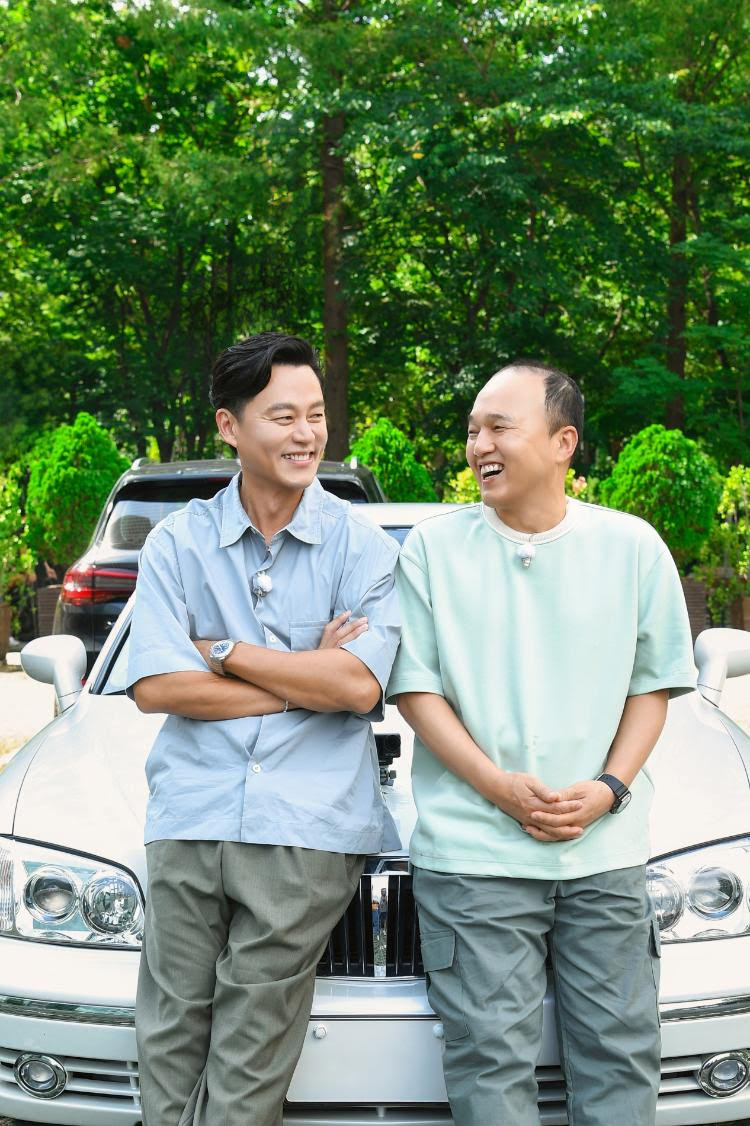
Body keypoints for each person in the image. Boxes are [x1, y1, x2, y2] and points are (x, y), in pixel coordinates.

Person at [387, 360, 696, 1126]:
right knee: (489, 1061)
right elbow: (417, 690)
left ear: (563, 442)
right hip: (475, 855)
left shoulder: (632, 546)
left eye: (499, 427)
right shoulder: (432, 549)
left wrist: (609, 790)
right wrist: (498, 787)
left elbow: (652, 686)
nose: (479, 445)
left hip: (604, 851)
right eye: (472, 431)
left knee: (620, 1055)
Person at [126, 331, 401, 1126]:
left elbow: (356, 685)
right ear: (230, 425)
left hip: (307, 824)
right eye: (283, 416)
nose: (307, 433)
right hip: (191, 809)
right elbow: (156, 686)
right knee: (169, 1030)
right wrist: (300, 681)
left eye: (316, 414)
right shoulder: (178, 543)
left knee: (250, 1045)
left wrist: (223, 653)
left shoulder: (362, 546)